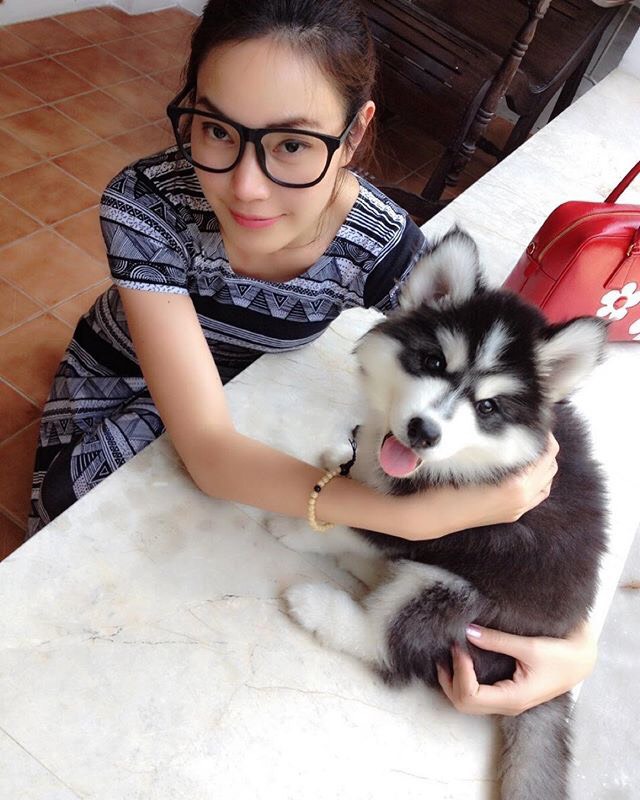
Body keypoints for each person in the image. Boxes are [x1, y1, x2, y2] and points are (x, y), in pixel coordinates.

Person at [28, 0, 595, 715]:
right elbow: (210, 450)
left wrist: (576, 642)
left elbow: (526, 417)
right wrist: (410, 521)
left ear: (353, 134)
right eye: (216, 130)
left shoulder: (378, 244)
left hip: (248, 386)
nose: (246, 185)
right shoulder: (146, 206)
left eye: (292, 144)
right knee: (69, 518)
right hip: (127, 372)